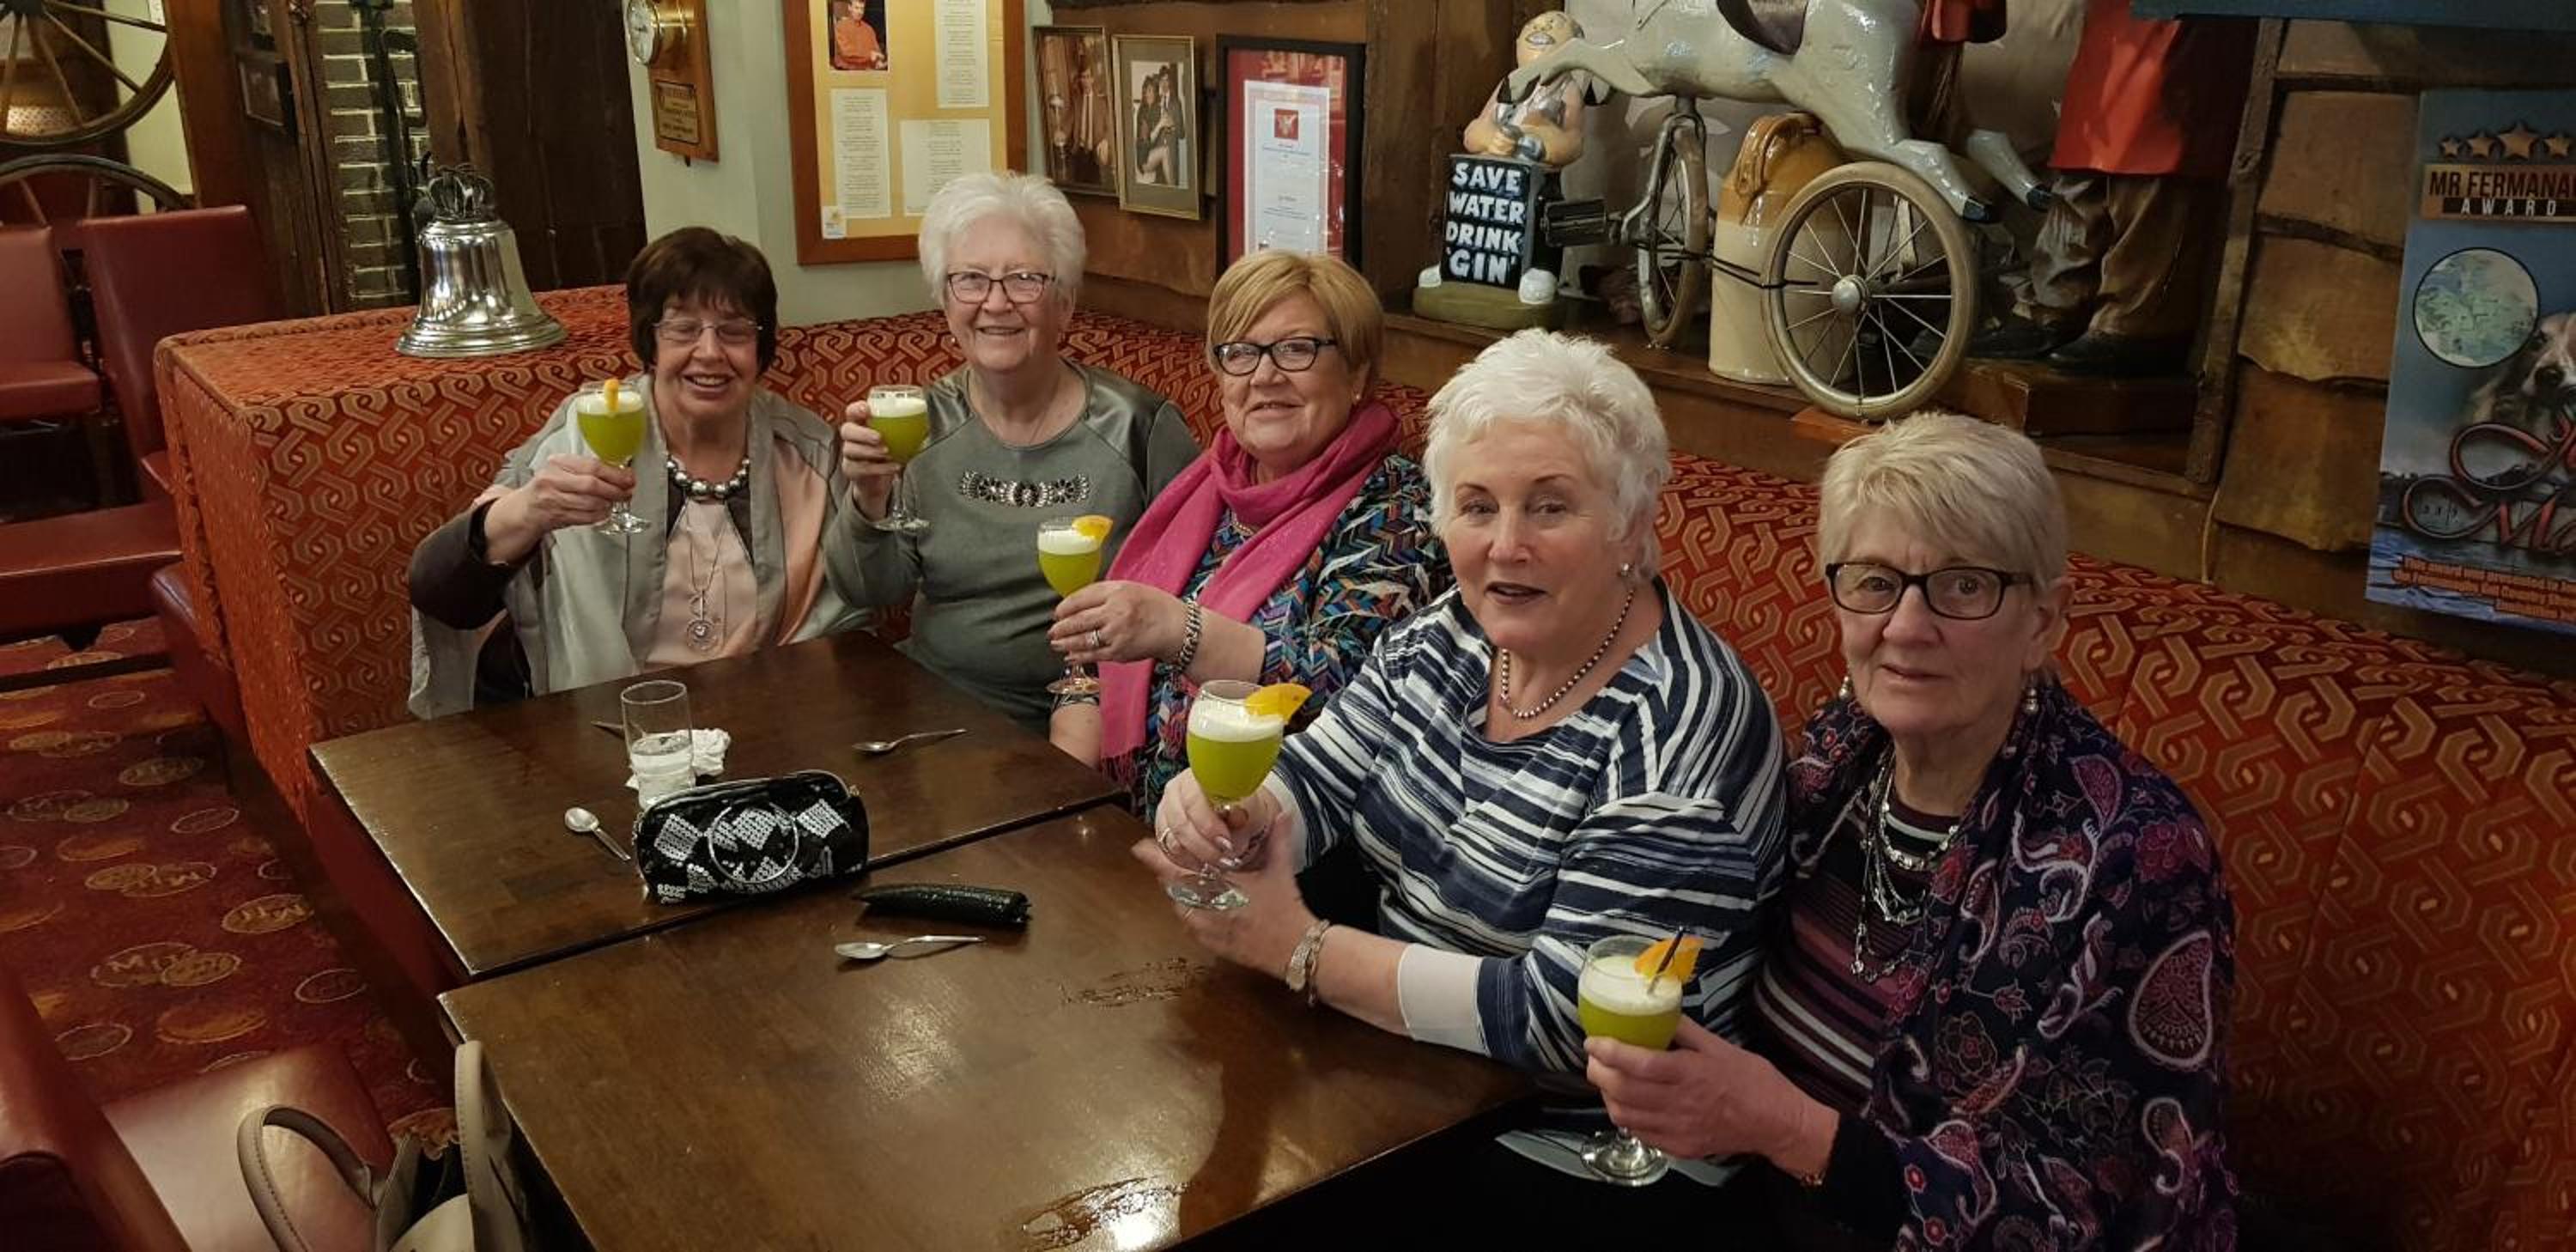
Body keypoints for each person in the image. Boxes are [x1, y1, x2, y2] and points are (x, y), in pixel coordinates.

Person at [1139, 330, 1787, 1234]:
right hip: (1410, 1083)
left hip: (1580, 1156)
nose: (1506, 545)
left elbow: (1569, 1020)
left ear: (1633, 524)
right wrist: (1240, 813)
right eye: (1477, 507)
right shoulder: (1450, 634)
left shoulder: (1678, 726)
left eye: (1550, 507)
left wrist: (1305, 950)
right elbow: (1322, 775)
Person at [1586, 412, 2238, 1249]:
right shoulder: (1840, 754)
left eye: (1963, 586)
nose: (1905, 626)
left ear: (2043, 619)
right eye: (1874, 581)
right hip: (1744, 1202)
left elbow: (2092, 1206)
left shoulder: (2134, 856)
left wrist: (1791, 1130)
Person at [1044, 249, 1446, 812]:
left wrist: (1178, 629)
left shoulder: (1396, 510)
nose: (1264, 375)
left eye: (1297, 349)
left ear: (1357, 373)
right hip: (1126, 817)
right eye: (1240, 353)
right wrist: (1072, 772)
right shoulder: (1207, 485)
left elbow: (1350, 686)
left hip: (1270, 829)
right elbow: (1099, 660)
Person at [409, 228, 864, 716]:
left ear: (761, 346)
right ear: (651, 340)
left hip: (764, 714)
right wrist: (529, 510)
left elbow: (854, 604)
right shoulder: (586, 432)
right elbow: (441, 593)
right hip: (599, 719)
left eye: (734, 331)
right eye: (682, 329)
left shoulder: (808, 452)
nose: (710, 353)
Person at [831, 171, 1200, 731]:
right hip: (936, 708)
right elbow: (870, 590)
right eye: (971, 280)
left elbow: (1202, 587)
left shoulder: (1139, 427)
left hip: (1095, 711)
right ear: (945, 302)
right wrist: (868, 498)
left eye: (1025, 280)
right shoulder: (918, 425)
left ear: (1065, 303)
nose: (996, 303)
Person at [1133, 72, 1182, 186]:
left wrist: (1170, 124)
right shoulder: (1143, 112)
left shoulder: (1155, 108)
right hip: (1144, 158)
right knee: (1165, 151)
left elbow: (1169, 124)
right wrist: (1160, 124)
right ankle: (1172, 189)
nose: (1148, 94)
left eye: (1151, 91)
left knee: (1167, 150)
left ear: (1155, 93)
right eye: (1146, 91)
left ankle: (1171, 186)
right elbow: (1148, 141)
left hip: (1152, 153)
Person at [829, 0, 885, 72]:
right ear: (849, 7)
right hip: (846, 73)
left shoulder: (869, 29)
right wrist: (869, 55)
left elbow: (876, 50)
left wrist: (878, 61)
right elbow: (846, 52)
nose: (859, 12)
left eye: (862, 9)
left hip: (867, 73)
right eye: (857, 8)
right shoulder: (841, 27)